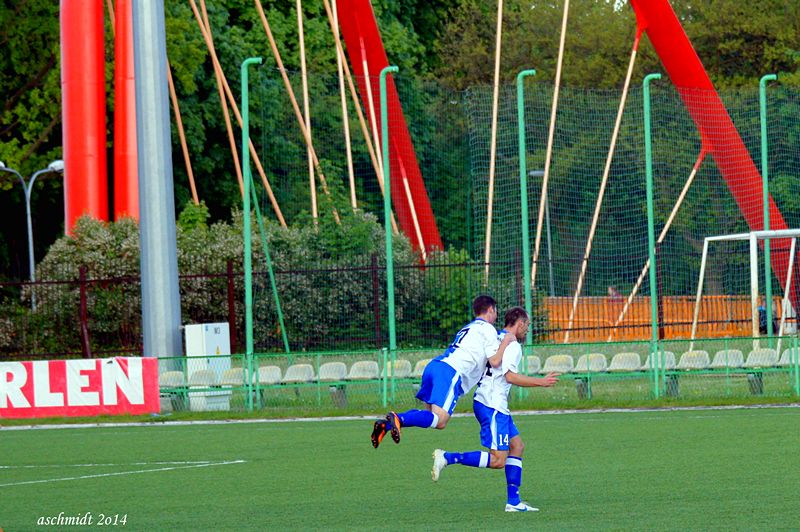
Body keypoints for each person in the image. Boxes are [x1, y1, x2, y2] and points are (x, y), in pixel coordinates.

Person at [430, 306, 559, 512]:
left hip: (492, 403)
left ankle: (514, 502)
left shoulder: (494, 337)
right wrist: (541, 382)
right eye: (527, 325)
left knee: (517, 447)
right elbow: (510, 376)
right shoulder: (513, 345)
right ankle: (448, 457)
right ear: (519, 323)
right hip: (492, 404)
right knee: (499, 460)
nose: (527, 330)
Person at [370, 295, 515, 448]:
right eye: (496, 311)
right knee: (440, 420)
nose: (496, 315)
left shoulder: (469, 327)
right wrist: (505, 342)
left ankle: (384, 426)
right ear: (491, 309)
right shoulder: (488, 329)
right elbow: (495, 361)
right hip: (449, 372)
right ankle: (397, 417)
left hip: (435, 366)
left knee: (430, 416)